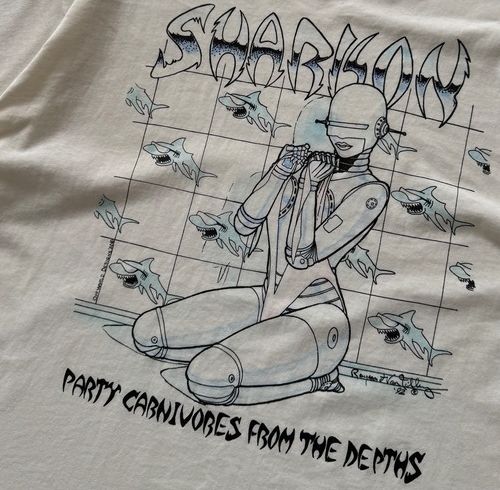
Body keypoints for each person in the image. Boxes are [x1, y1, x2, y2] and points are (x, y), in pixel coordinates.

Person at [129, 83, 391, 404]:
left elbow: (301, 256)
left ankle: (317, 381)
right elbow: (243, 224)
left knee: (206, 379)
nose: (340, 135)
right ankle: (238, 349)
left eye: (355, 127)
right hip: (267, 297)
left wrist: (310, 189)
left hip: (319, 319)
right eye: (334, 125)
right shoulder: (302, 173)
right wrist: (280, 172)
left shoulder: (370, 192)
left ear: (379, 129)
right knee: (148, 333)